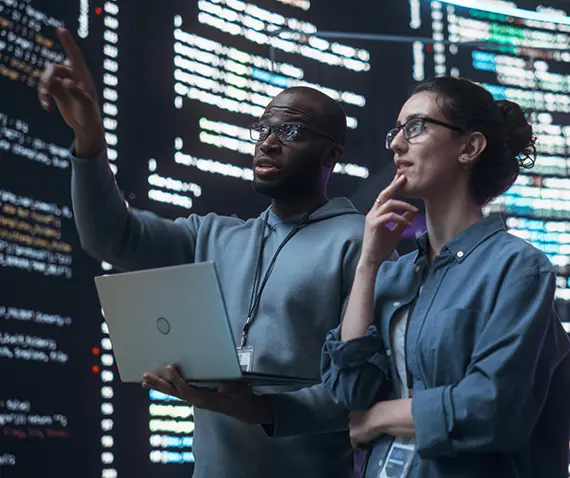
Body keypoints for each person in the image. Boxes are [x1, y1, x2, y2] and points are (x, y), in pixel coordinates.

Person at [39, 29, 369, 478]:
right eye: (264, 128)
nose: (268, 142)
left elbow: (366, 387)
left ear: (332, 153)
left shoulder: (361, 241)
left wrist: (263, 409)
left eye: (290, 130)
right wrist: (89, 137)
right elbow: (110, 238)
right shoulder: (212, 236)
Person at [320, 76, 570, 477]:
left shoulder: (517, 267)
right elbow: (350, 391)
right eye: (396, 131)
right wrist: (368, 265)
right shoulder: (393, 273)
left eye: (416, 127)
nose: (397, 144)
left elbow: (492, 408)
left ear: (469, 148)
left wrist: (379, 417)